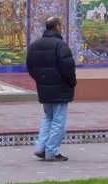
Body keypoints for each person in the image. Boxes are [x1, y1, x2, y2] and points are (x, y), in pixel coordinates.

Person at [26, 17, 76, 162]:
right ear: (56, 26)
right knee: (58, 121)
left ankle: (41, 148)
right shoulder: (60, 45)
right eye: (60, 25)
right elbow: (68, 68)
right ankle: (51, 151)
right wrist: (72, 82)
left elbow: (30, 67)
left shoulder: (35, 45)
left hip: (44, 88)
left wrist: (41, 80)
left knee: (48, 117)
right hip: (60, 89)